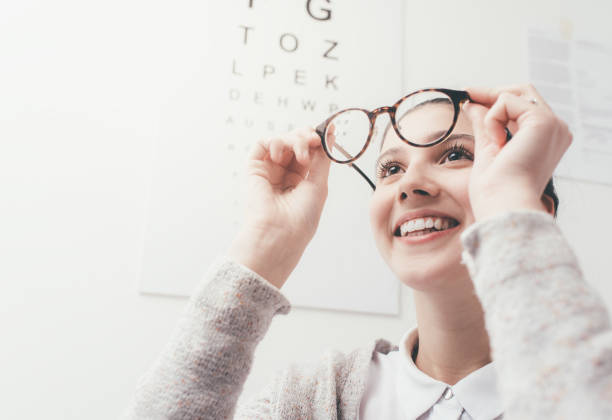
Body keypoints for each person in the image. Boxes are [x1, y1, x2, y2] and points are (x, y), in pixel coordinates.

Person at [122, 85, 612, 419]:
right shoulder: (315, 397)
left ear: (534, 207)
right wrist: (265, 244)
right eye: (390, 169)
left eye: (456, 154)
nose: (410, 184)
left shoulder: (587, 373)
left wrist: (509, 203)